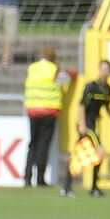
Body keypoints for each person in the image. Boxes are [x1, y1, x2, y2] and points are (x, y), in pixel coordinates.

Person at [61, 60, 110, 198]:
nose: (105, 71)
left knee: (78, 155)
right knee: (100, 151)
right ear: (99, 70)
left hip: (93, 124)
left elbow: (107, 108)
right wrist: (82, 124)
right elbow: (82, 106)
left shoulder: (107, 89)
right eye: (102, 69)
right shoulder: (91, 86)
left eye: (107, 69)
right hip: (86, 124)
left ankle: (77, 188)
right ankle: (88, 187)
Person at [22, 47, 74, 188]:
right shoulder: (54, 69)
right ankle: (40, 179)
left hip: (33, 109)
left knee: (32, 144)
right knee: (43, 146)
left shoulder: (32, 68)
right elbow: (68, 77)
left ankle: (27, 177)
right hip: (49, 111)